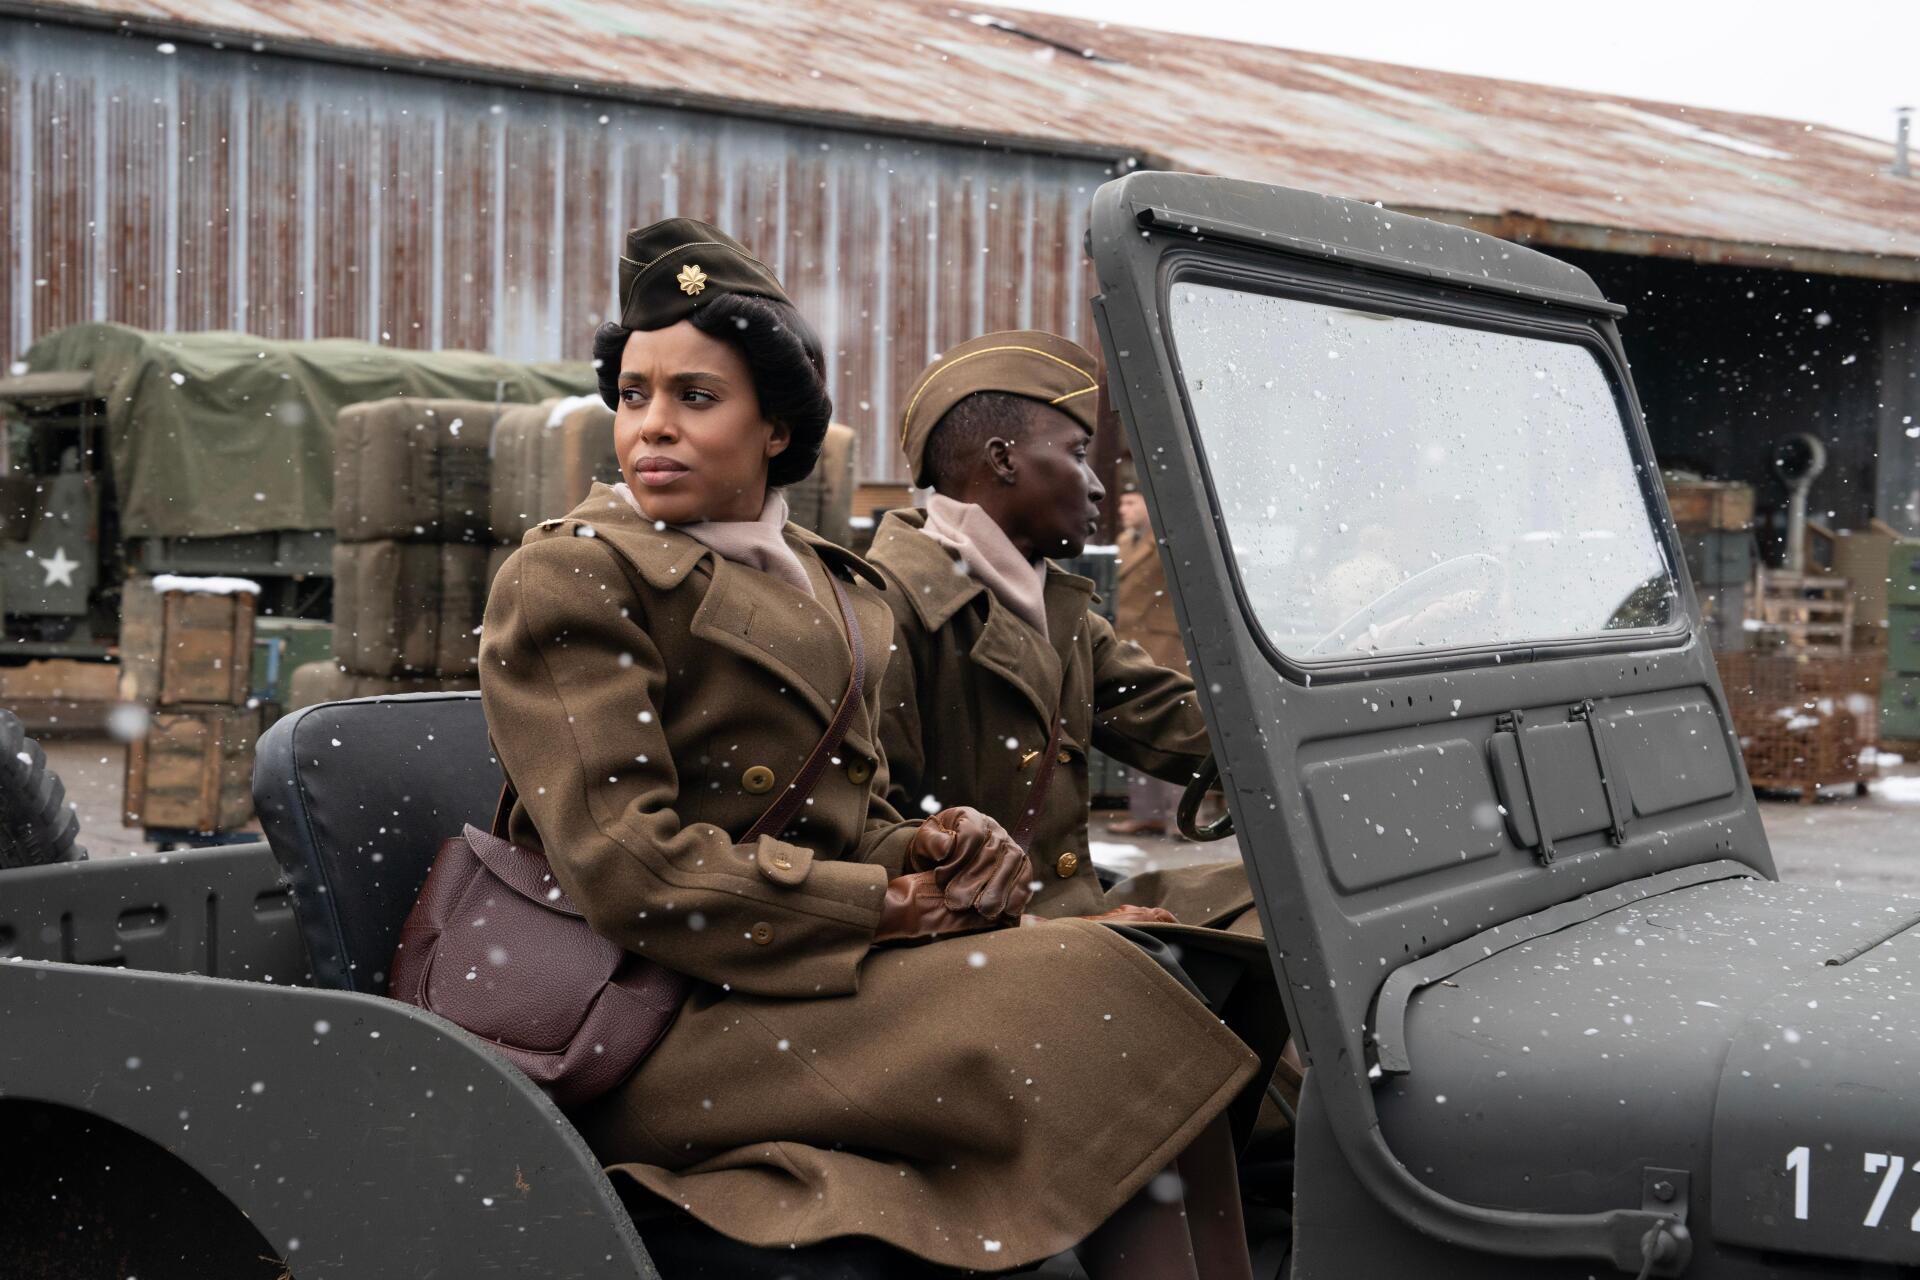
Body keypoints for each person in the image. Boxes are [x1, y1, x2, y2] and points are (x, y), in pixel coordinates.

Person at [480, 221, 1258, 1277]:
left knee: (1139, 975)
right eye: (633, 395)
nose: (650, 427)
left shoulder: (828, 584)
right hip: (654, 1015)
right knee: (1093, 993)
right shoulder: (574, 575)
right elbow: (637, 870)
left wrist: (934, 843)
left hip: (783, 976)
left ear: (776, 428)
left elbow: (851, 814)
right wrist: (887, 905)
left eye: (694, 397)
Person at [868, 330, 1256, 928]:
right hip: (979, 948)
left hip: (1059, 923)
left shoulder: (1054, 608)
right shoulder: (888, 610)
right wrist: (1067, 934)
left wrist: (1323, 731)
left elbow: (1181, 723)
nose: (1099, 484)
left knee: (1277, 914)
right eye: (1077, 454)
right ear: (1003, 460)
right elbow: (874, 845)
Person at [1109, 460, 1189, 837]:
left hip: (1166, 643)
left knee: (1172, 726)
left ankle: (1181, 818)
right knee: (1137, 725)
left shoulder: (1166, 538)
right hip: (1133, 643)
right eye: (1122, 504)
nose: (1124, 511)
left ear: (1147, 504)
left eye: (1131, 503)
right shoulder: (1126, 541)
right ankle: (1148, 813)